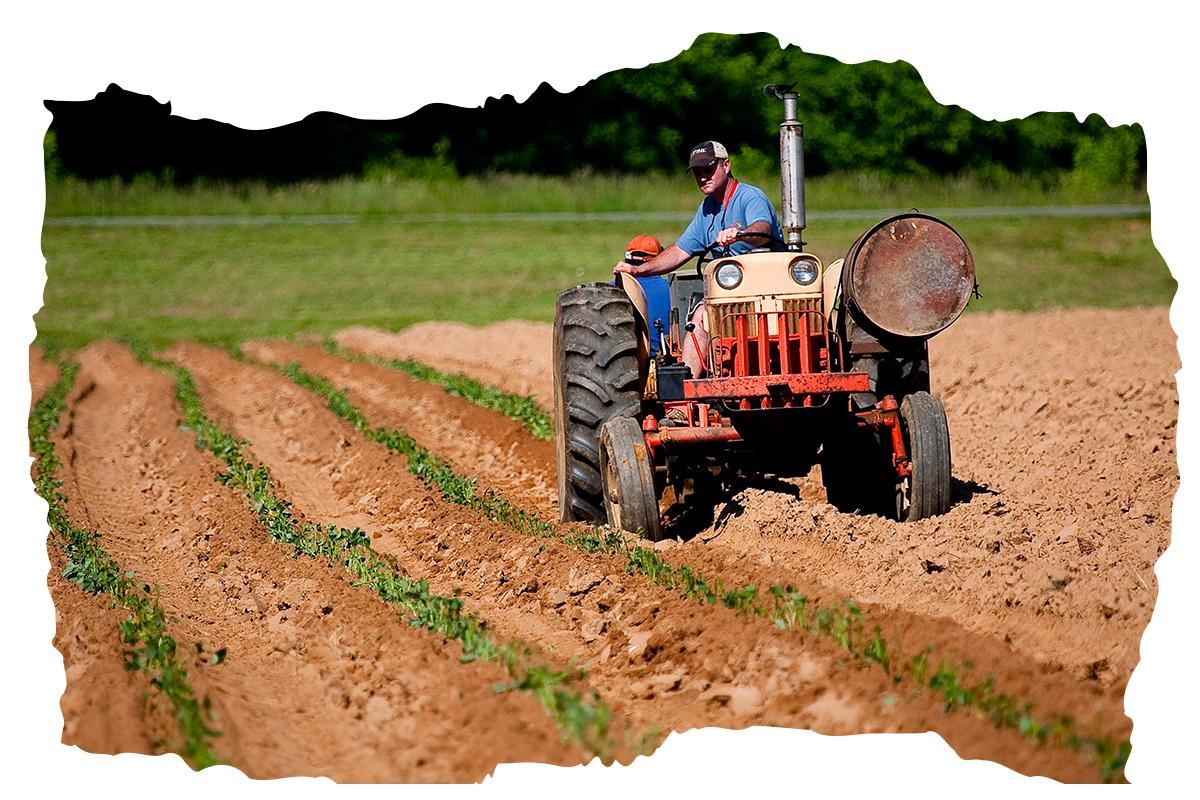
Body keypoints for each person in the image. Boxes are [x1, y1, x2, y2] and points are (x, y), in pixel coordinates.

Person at [613, 140, 783, 378]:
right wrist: (638, 270)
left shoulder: (749, 197)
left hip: (768, 289)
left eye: (709, 169)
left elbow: (763, 229)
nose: (703, 177)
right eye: (697, 172)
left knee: (704, 313)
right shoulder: (707, 210)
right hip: (727, 295)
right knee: (699, 317)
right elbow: (679, 251)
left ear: (727, 165)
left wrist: (740, 234)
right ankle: (687, 394)